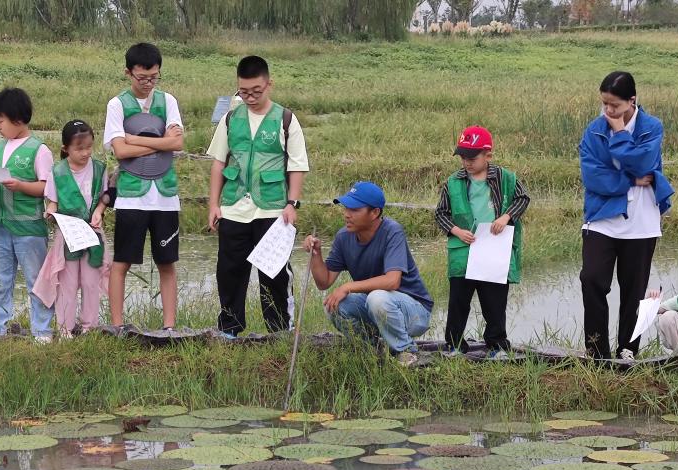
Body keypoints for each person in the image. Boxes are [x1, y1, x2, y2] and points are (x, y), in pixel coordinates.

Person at [207, 55, 309, 338]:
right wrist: (214, 204)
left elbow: (297, 165)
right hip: (234, 207)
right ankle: (229, 329)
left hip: (272, 209)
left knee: (274, 274)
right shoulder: (230, 119)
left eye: (256, 91)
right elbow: (218, 163)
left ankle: (279, 331)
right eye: (244, 92)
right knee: (229, 271)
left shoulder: (285, 119)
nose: (250, 97)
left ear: (269, 85)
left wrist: (292, 203)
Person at [579, 71, 674, 361]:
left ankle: (627, 350)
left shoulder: (651, 126)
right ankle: (596, 351)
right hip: (602, 218)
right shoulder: (594, 130)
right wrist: (631, 180)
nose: (608, 111)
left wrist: (620, 133)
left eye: (615, 106)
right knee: (592, 279)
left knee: (633, 290)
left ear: (632, 100)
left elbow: (644, 161)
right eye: (604, 104)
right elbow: (592, 176)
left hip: (642, 223)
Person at [303, 182, 433, 367]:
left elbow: (392, 281)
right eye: (346, 208)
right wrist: (316, 254)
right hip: (377, 309)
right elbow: (324, 282)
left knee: (377, 298)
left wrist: (347, 286)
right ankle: (370, 351)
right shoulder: (343, 237)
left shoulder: (392, 231)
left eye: (355, 209)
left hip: (414, 312)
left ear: (375, 213)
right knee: (333, 304)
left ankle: (406, 351)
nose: (347, 214)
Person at [103, 42, 183, 330]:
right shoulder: (117, 104)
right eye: (142, 78)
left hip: (165, 196)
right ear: (128, 73)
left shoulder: (168, 101)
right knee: (122, 261)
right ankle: (117, 325)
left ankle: (169, 327)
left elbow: (177, 143)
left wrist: (133, 139)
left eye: (154, 77)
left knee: (167, 262)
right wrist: (160, 144)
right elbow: (120, 153)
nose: (149, 83)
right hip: (131, 197)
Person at [435, 125, 530, 357]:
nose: (467, 162)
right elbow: (441, 214)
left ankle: (496, 345)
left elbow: (522, 198)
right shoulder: (453, 181)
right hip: (464, 248)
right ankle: (455, 344)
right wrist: (457, 230)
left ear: (488, 155)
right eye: (463, 157)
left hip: (493, 248)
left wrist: (506, 217)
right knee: (459, 299)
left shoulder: (506, 178)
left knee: (494, 300)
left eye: (472, 157)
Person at [0, 87, 55, 343]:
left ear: (17, 119)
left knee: (37, 280)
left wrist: (21, 186)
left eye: (1, 120)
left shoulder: (39, 149)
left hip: (28, 228)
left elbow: (47, 188)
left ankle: (42, 331)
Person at [34, 120, 114, 336]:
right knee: (66, 283)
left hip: (92, 233)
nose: (85, 153)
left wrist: (99, 212)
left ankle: (89, 326)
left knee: (90, 281)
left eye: (89, 147)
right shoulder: (57, 172)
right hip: (68, 235)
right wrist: (50, 212)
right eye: (79, 149)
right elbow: (53, 202)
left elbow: (103, 199)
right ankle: (65, 329)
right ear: (65, 149)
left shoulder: (99, 169)